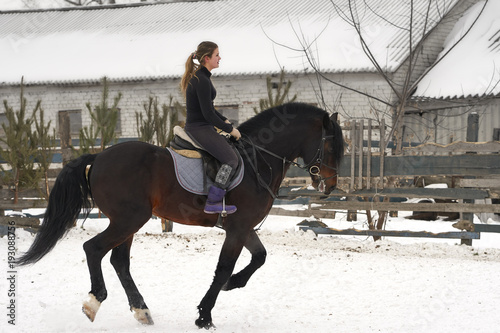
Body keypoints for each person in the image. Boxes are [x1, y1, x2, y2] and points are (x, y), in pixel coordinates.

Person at [180, 41, 241, 215]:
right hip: (199, 128)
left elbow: (209, 109)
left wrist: (225, 120)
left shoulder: (202, 77)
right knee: (231, 160)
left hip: (202, 126)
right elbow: (208, 115)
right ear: (207, 58)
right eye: (216, 55)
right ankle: (213, 201)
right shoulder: (202, 80)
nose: (219, 58)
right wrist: (230, 130)